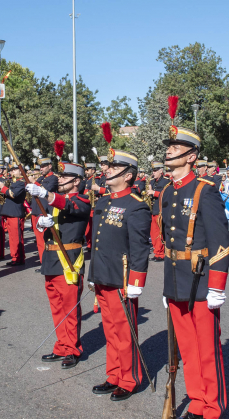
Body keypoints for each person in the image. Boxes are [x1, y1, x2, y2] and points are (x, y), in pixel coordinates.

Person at [159, 121, 229, 419]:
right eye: (168, 147)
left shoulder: (205, 190)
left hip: (201, 280)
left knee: (206, 349)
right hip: (176, 280)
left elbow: (221, 241)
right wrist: (167, 285)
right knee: (187, 348)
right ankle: (197, 402)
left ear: (191, 156)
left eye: (175, 148)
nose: (169, 152)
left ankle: (212, 409)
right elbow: (168, 241)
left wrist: (217, 286)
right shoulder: (167, 191)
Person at [88, 149, 151, 401]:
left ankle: (129, 379)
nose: (107, 170)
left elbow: (140, 248)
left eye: (114, 167)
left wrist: (136, 282)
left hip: (122, 279)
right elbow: (97, 242)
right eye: (109, 166)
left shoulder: (136, 206)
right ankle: (113, 374)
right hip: (102, 274)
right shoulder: (104, 202)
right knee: (110, 331)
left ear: (128, 175)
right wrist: (93, 273)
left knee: (125, 333)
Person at [27, 161, 91, 368]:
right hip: (51, 259)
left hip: (68, 260)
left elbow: (68, 206)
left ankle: (73, 349)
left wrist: (45, 193)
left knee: (70, 309)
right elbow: (48, 221)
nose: (60, 180)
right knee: (57, 308)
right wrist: (40, 223)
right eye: (60, 176)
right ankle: (62, 345)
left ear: (76, 181)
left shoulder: (82, 200)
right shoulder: (56, 199)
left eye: (65, 177)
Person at [31, 158, 58, 269]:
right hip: (36, 211)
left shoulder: (54, 178)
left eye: (43, 166)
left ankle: (47, 263)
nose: (41, 169)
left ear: (50, 166)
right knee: (39, 240)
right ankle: (43, 262)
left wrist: (34, 182)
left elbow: (45, 190)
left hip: (45, 211)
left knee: (46, 239)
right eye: (40, 167)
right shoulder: (41, 178)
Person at [0, 163, 27, 266]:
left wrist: (2, 187)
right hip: (10, 213)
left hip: (15, 213)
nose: (12, 172)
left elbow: (13, 194)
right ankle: (14, 257)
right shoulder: (12, 182)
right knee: (12, 238)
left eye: (15, 169)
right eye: (11, 170)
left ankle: (19, 258)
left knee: (17, 238)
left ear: (21, 171)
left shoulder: (21, 182)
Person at [145, 161, 170, 261]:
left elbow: (167, 195)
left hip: (160, 210)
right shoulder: (152, 181)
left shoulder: (166, 181)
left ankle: (161, 254)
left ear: (161, 171)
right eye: (153, 171)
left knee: (160, 233)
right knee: (153, 233)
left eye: (155, 170)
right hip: (152, 210)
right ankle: (156, 252)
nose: (153, 173)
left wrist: (153, 192)